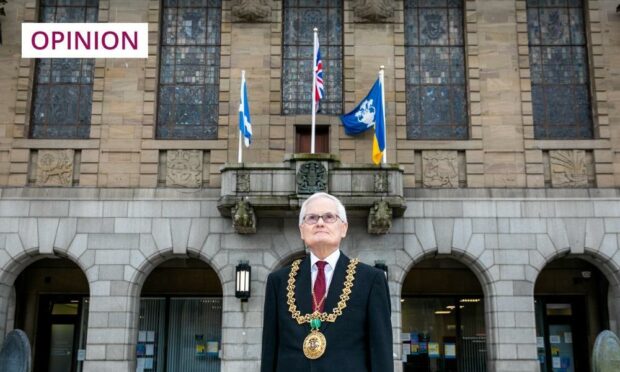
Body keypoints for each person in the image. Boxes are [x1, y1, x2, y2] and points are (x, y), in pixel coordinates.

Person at [261, 192, 393, 372]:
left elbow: (381, 352)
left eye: (329, 217)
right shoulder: (278, 281)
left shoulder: (370, 280)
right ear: (302, 230)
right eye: (312, 218)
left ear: (344, 228)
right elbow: (269, 351)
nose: (320, 223)